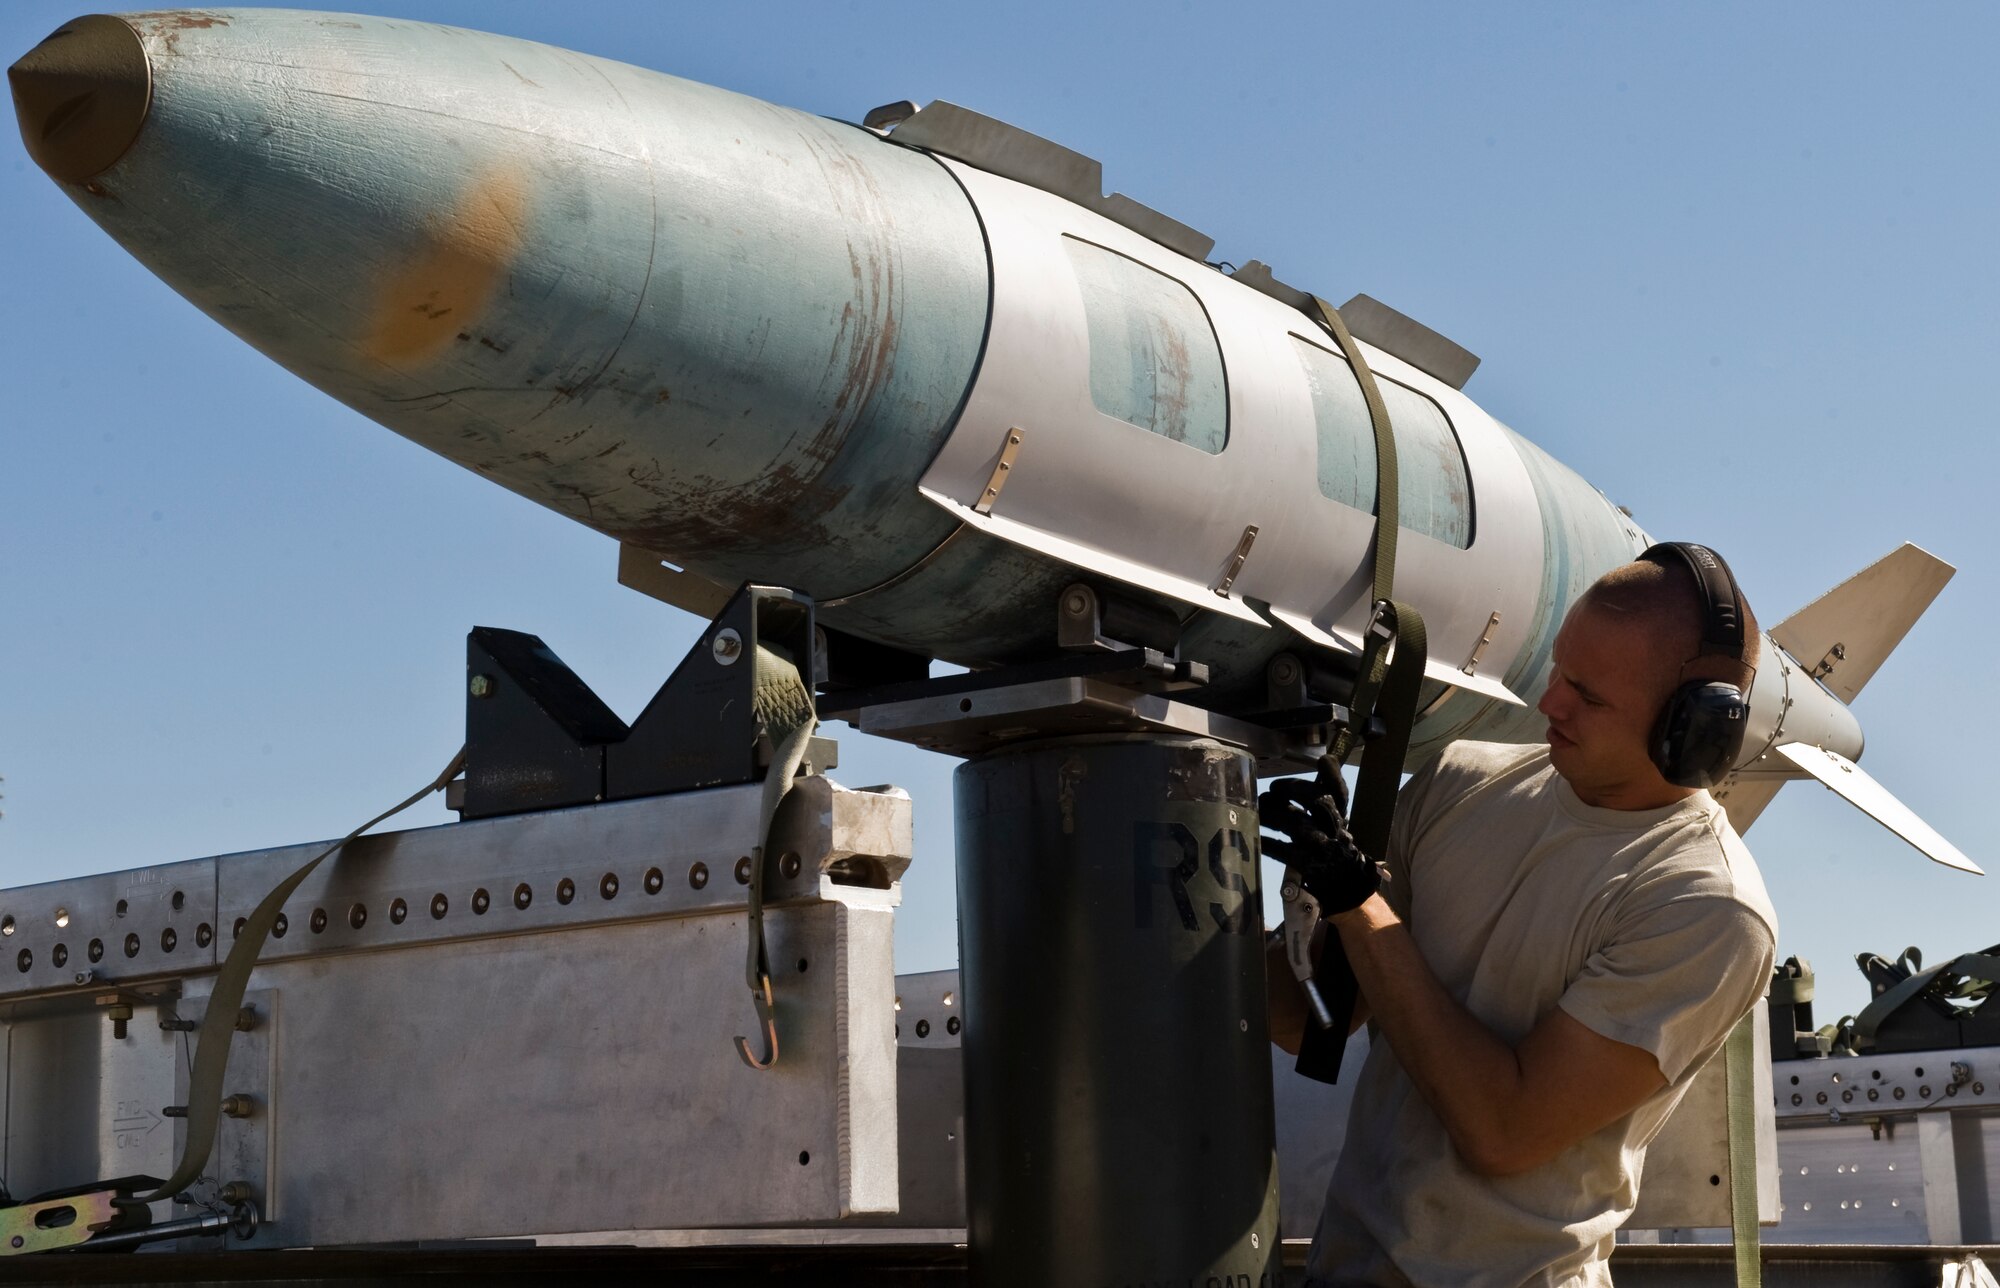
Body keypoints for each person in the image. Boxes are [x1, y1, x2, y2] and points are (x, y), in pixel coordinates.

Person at [1263, 546, 1778, 1288]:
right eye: (1559, 671)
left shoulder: (1705, 905)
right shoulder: (1458, 782)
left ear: (1693, 729)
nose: (1550, 704)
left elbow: (1504, 1132)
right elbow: (1301, 1022)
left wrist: (1360, 906)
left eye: (1588, 697)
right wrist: (1283, 884)